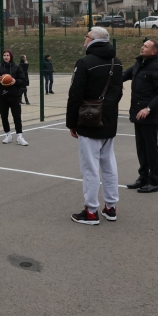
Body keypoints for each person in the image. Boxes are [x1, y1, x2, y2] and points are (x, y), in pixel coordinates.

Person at [66, 26, 123, 224]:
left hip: (89, 120)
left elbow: (75, 95)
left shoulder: (85, 63)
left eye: (87, 36)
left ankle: (91, 211)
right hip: (109, 120)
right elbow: (118, 92)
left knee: (90, 167)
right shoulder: (117, 62)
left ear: (94, 40)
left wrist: (71, 123)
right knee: (109, 165)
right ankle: (111, 207)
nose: (84, 39)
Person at [122, 39, 158, 193]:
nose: (142, 47)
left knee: (151, 149)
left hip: (149, 115)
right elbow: (124, 74)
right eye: (142, 45)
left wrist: (148, 108)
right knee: (141, 148)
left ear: (154, 52)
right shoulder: (139, 63)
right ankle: (143, 178)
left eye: (146, 46)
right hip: (137, 113)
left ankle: (154, 181)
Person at [0, 49, 28, 146]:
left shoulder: (17, 68)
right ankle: (8, 135)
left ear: (11, 56)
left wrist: (15, 81)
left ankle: (19, 136)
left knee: (17, 116)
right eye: (4, 55)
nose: (6, 57)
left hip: (15, 96)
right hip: (3, 96)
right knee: (4, 116)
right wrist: (0, 81)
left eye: (8, 55)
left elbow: (23, 81)